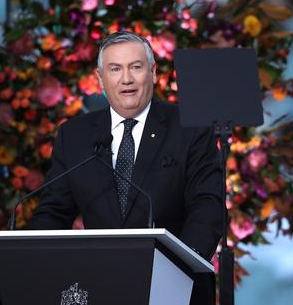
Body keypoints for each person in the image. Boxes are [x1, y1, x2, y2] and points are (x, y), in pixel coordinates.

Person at [27, 31, 224, 305]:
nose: (126, 79)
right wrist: (30, 256)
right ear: (100, 79)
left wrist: (181, 265)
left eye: (136, 67)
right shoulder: (75, 136)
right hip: (99, 287)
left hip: (176, 287)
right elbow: (53, 211)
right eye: (115, 69)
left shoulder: (190, 128)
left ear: (153, 72)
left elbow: (207, 205)